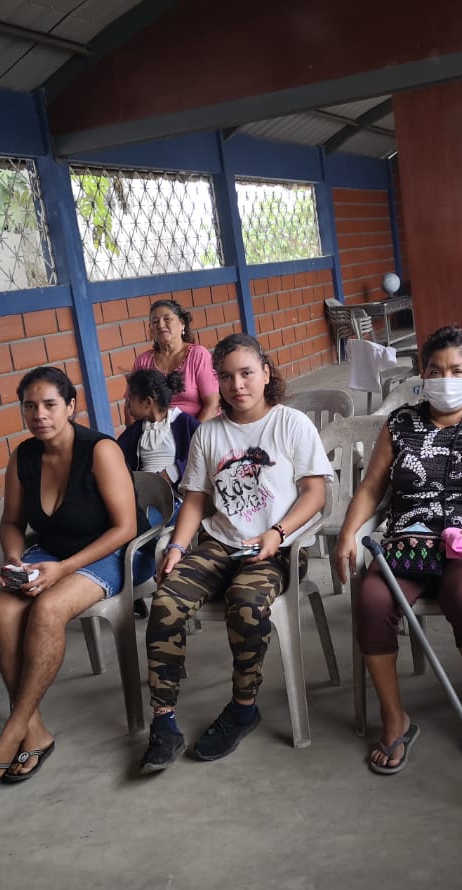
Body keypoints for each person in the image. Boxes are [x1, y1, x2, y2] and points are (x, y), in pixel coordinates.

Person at [333, 325, 462, 776]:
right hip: (409, 540)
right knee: (372, 600)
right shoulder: (401, 424)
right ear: (422, 376)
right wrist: (347, 532)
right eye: (435, 370)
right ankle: (396, 719)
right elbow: (372, 486)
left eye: (457, 370)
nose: (446, 379)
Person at [138, 333, 332, 774]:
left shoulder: (290, 424)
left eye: (246, 373)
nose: (237, 384)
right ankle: (164, 720)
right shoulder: (209, 433)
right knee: (165, 601)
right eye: (225, 377)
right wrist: (177, 547)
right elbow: (195, 499)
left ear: (266, 373)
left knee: (245, 603)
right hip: (218, 544)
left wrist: (278, 533)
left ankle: (244, 707)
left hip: (276, 549)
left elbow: (315, 493)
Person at [0, 366, 154, 790]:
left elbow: (125, 527)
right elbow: (11, 521)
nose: (39, 415)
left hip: (113, 550)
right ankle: (33, 730)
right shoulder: (23, 457)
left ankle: (13, 732)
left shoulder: (100, 450)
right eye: (29, 406)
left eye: (50, 404)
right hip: (53, 551)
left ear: (70, 406)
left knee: (48, 608)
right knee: (3, 608)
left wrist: (64, 569)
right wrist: (14, 559)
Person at [116, 368, 200, 509]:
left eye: (130, 399)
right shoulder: (136, 431)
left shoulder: (184, 422)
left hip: (179, 499)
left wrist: (173, 472)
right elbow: (116, 456)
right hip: (145, 498)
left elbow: (203, 452)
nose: (127, 405)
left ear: (148, 402)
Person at [130, 299, 220, 422]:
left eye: (167, 319)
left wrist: (194, 432)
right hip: (154, 431)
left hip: (196, 429)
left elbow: (213, 405)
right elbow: (130, 405)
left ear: (182, 323)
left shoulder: (198, 355)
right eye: (155, 321)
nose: (160, 325)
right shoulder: (143, 361)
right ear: (151, 329)